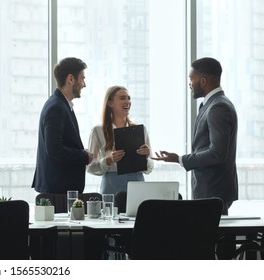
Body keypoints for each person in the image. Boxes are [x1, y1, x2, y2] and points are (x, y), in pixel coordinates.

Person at [152, 57, 238, 259]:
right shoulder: (211, 105)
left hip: (214, 190)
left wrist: (182, 159)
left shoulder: (218, 107)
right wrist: (178, 159)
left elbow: (217, 153)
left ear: (204, 80)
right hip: (210, 189)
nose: (189, 83)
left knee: (211, 248)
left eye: (191, 78)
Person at [31, 57, 93, 194]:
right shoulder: (56, 107)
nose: (84, 84)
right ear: (71, 79)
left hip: (59, 188)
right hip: (58, 191)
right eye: (82, 79)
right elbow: (54, 149)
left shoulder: (59, 104)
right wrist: (84, 156)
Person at [87, 86, 153, 194]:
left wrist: (145, 157)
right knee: (111, 211)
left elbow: (150, 167)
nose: (128, 101)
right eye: (122, 98)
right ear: (110, 103)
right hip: (112, 185)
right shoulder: (97, 131)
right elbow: (90, 167)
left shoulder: (140, 130)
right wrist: (108, 160)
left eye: (129, 98)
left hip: (138, 184)